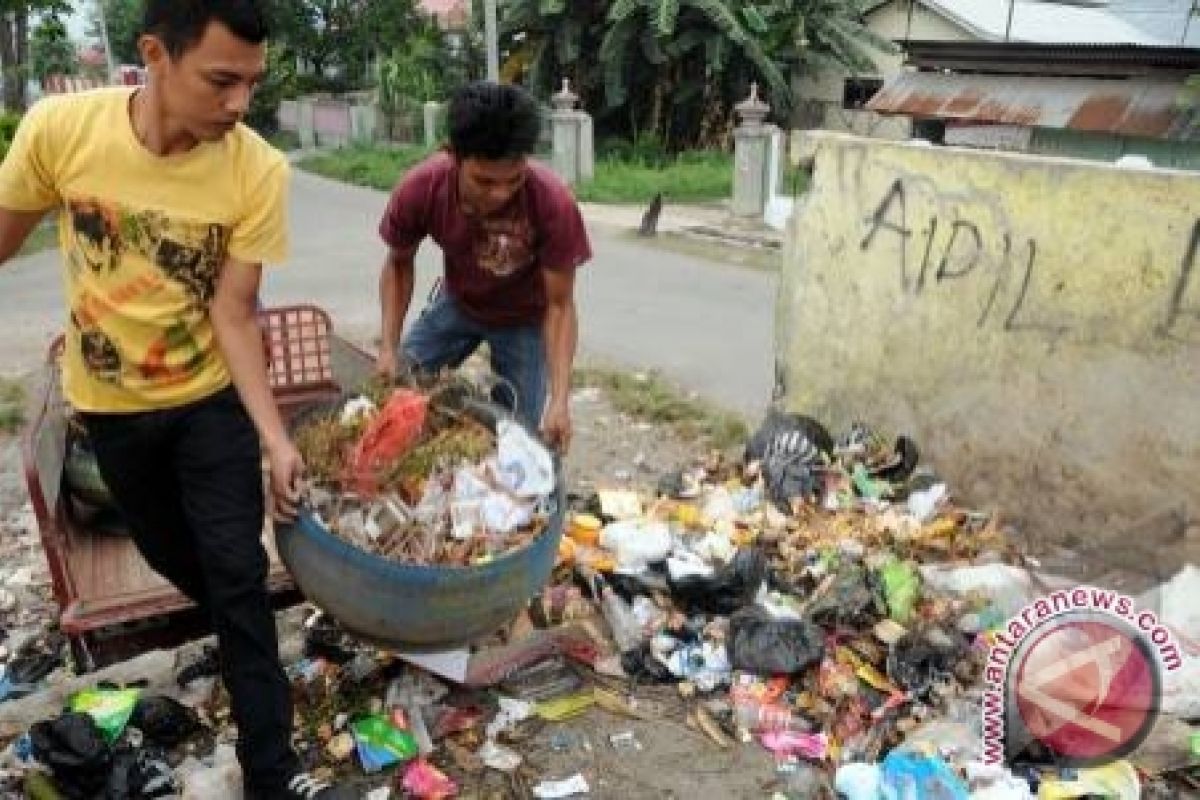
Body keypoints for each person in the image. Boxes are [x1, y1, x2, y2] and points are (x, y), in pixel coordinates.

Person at [0, 2, 355, 798]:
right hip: (112, 413)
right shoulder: (60, 132)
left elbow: (235, 312)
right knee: (172, 555)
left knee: (236, 573)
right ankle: (240, 641)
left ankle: (272, 770)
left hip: (209, 406)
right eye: (221, 81)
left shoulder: (256, 168)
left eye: (253, 85)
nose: (238, 105)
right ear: (155, 54)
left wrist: (275, 438)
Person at [376, 81, 592, 452]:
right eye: (484, 181)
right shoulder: (421, 189)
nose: (500, 193)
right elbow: (398, 263)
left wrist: (560, 400)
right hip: (458, 304)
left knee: (518, 436)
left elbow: (560, 306)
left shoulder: (552, 203)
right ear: (453, 157)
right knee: (396, 393)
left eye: (513, 180)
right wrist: (388, 347)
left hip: (525, 320)